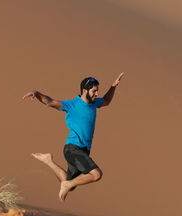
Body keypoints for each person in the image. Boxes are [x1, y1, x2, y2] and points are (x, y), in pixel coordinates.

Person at [22, 72, 124, 201]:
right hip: (73, 149)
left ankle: (48, 161)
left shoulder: (94, 103)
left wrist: (113, 86)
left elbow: (107, 101)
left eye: (97, 91)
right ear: (84, 90)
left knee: (70, 185)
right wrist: (36, 93)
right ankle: (67, 184)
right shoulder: (72, 105)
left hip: (84, 150)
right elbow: (50, 102)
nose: (96, 94)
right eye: (94, 91)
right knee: (96, 174)